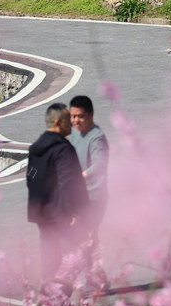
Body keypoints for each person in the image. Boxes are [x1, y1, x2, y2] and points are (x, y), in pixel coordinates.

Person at [27, 103, 89, 282]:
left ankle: (49, 286)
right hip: (60, 212)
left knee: (49, 251)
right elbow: (67, 182)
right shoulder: (62, 149)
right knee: (74, 251)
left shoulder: (36, 147)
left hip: (40, 211)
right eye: (67, 120)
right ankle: (67, 290)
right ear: (57, 122)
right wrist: (72, 211)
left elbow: (31, 178)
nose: (71, 123)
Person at [68, 95, 110, 234]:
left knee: (85, 237)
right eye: (73, 116)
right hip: (79, 196)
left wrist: (81, 176)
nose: (75, 121)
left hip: (93, 198)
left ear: (91, 115)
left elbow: (100, 164)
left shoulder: (96, 137)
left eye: (80, 116)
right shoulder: (76, 133)